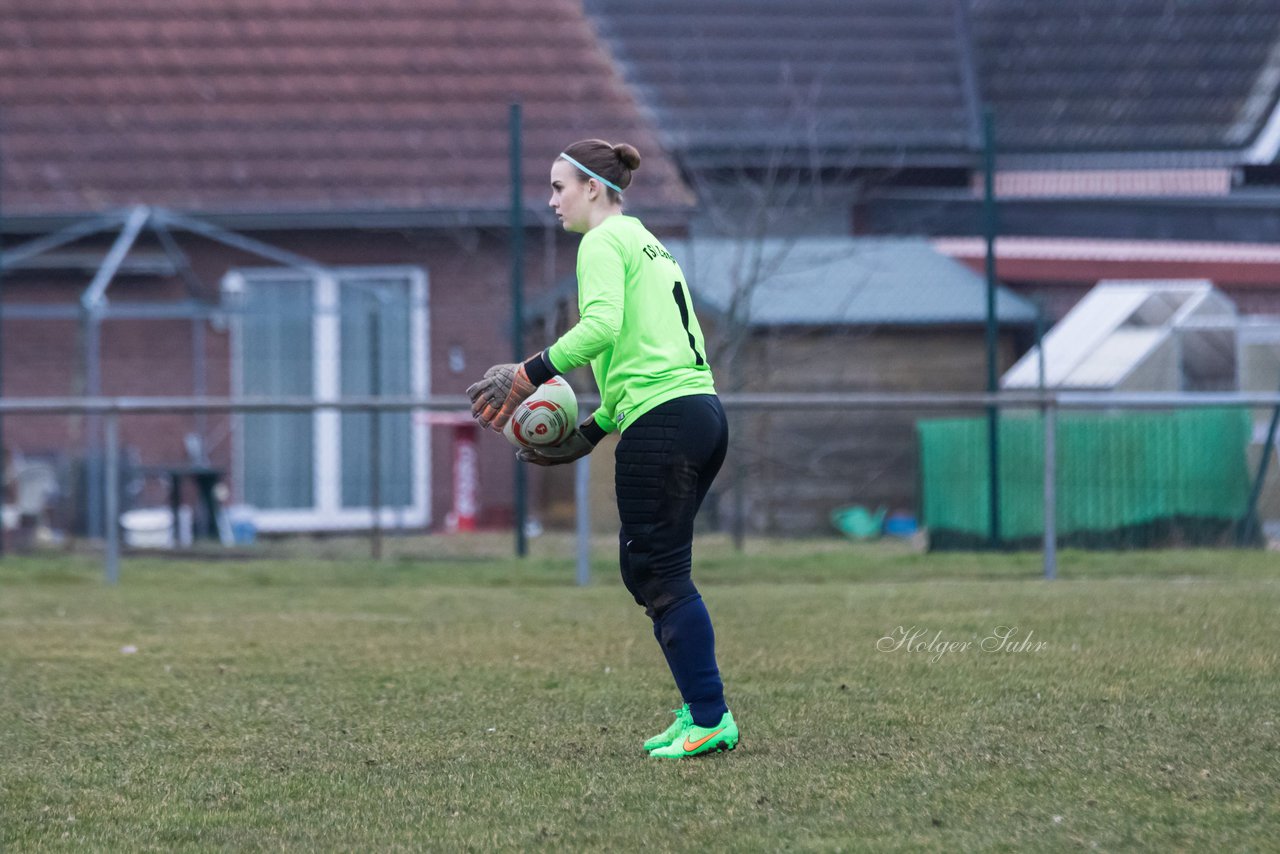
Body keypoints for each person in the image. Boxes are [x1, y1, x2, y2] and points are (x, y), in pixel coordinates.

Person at [467, 138, 737, 759]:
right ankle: (702, 710)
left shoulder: (602, 241)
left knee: (658, 572)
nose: (552, 200)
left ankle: (711, 717)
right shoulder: (646, 241)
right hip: (699, 412)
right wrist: (588, 435)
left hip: (667, 419)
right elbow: (641, 352)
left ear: (593, 187)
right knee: (652, 571)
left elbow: (602, 329)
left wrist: (527, 374)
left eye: (559, 187)